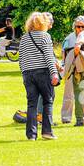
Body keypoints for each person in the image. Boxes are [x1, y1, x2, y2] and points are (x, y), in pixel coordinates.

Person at [15, 11, 61, 141]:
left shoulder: (24, 38)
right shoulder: (44, 36)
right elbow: (48, 57)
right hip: (43, 73)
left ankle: (31, 134)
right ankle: (47, 131)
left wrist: (24, 74)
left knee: (31, 104)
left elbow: (21, 58)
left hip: (28, 74)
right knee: (48, 101)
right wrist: (54, 73)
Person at [58, 16, 84, 124]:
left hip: (82, 68)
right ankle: (66, 117)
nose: (80, 29)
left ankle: (83, 116)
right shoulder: (69, 38)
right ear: (74, 27)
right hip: (70, 68)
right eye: (78, 26)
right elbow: (63, 53)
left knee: (83, 93)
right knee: (68, 94)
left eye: (82, 26)